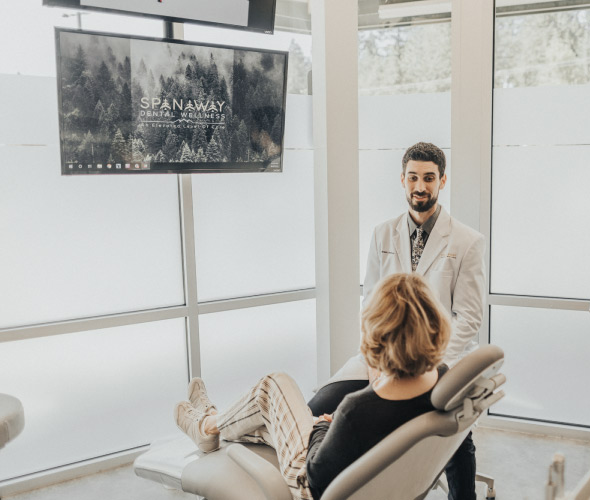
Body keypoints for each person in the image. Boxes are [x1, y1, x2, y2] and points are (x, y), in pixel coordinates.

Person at [308, 141, 486, 500]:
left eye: (429, 178)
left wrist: (426, 360)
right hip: (380, 359)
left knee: (452, 430)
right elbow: (371, 303)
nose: (421, 186)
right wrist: (378, 364)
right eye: (413, 177)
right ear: (402, 180)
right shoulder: (382, 234)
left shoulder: (467, 241)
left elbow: (469, 317)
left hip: (436, 360)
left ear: (443, 181)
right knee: (315, 408)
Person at [173, 273, 451, 500]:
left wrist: (323, 427)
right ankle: (209, 420)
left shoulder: (358, 411)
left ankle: (206, 425)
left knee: (272, 385)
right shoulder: (441, 381)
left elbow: (316, 476)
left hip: (309, 480)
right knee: (270, 417)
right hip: (364, 473)